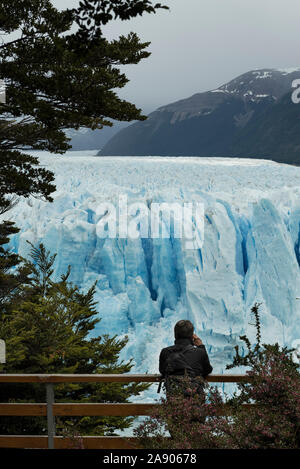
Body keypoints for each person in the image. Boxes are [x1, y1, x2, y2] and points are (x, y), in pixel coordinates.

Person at [158, 319, 213, 397]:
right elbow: (207, 370)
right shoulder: (200, 352)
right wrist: (201, 346)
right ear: (192, 336)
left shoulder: (165, 352)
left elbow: (163, 371)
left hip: (173, 402)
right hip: (196, 401)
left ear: (175, 335)